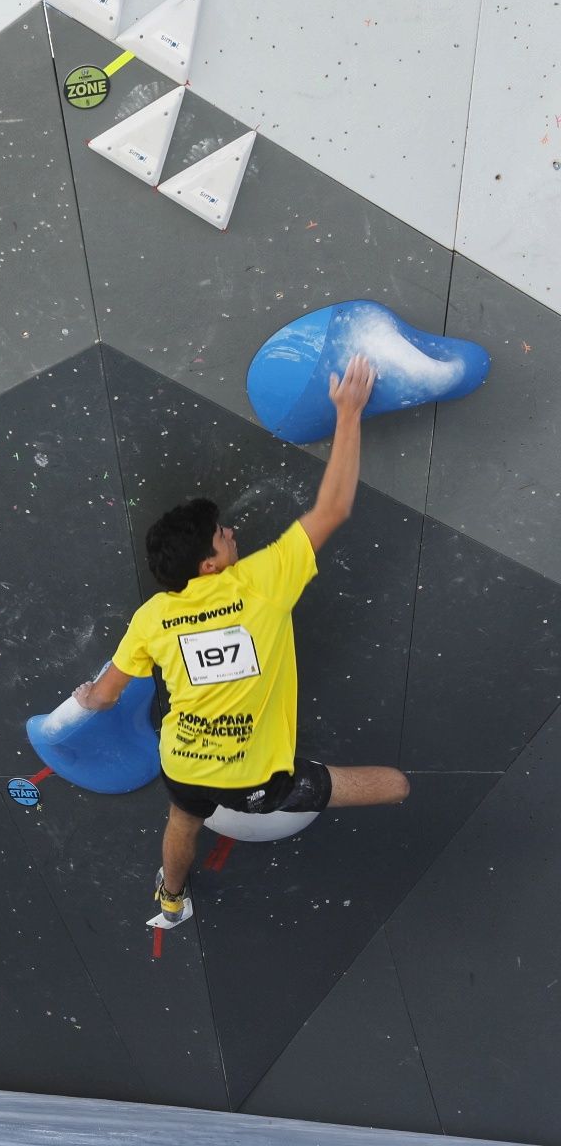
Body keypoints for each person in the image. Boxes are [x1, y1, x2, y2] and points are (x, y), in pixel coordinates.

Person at [72, 356, 409, 925]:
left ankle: (170, 899)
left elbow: (103, 697)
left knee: (182, 824)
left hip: (181, 763)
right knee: (396, 786)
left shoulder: (152, 617)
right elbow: (334, 508)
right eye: (223, 534)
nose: (232, 532)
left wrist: (86, 697)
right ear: (209, 564)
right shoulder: (263, 583)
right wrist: (349, 412)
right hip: (257, 781)